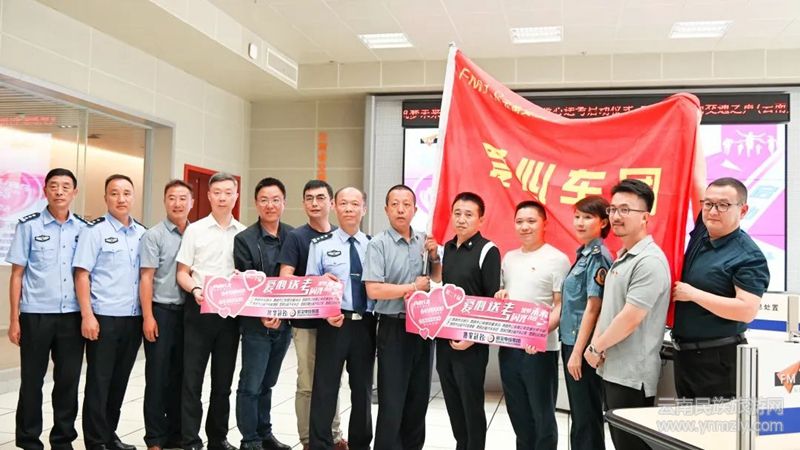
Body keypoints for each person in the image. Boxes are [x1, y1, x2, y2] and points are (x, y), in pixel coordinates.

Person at [584, 179, 670, 450]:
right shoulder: (623, 256)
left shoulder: (649, 261)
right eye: (613, 209)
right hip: (614, 369)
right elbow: (610, 310)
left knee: (632, 445)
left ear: (645, 216)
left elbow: (630, 318)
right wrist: (597, 346)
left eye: (625, 210)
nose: (616, 216)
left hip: (632, 376)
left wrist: (596, 347)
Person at [6, 168, 87, 450]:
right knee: (32, 380)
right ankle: (29, 440)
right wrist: (14, 319)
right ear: (45, 191)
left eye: (66, 186)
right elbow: (17, 275)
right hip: (36, 315)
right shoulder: (29, 226)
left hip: (72, 316)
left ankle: (63, 439)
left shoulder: (83, 229)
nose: (59, 191)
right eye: (54, 186)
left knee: (68, 381)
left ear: (74, 192)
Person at [672, 177, 770, 401]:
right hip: (684, 356)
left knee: (715, 423)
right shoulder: (703, 232)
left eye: (723, 205)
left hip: (718, 359)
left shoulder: (748, 256)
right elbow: (696, 179)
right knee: (685, 423)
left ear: (743, 210)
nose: (713, 211)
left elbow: (746, 310)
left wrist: (693, 294)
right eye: (708, 204)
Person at [362, 184, 440, 450]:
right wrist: (412, 287)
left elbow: (435, 279)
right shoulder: (378, 244)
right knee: (392, 400)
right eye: (395, 204)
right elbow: (374, 290)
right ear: (386, 209)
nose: (400, 209)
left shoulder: (424, 241)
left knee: (418, 399)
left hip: (423, 328)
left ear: (415, 209)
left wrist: (435, 257)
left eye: (406, 204)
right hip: (393, 328)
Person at [73, 174, 146, 450]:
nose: (121, 198)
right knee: (99, 381)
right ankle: (95, 440)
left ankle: (109, 434)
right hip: (103, 318)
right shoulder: (95, 231)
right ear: (106, 197)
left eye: (126, 193)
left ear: (133, 197)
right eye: (114, 193)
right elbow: (82, 274)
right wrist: (87, 315)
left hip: (132, 318)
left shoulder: (142, 233)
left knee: (119, 381)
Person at [176, 172, 245, 450]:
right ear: (208, 196)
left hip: (230, 316)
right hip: (199, 311)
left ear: (236, 196)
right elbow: (182, 272)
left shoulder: (243, 233)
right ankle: (190, 439)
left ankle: (218, 438)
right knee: (191, 380)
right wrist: (195, 289)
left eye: (228, 192)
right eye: (217, 192)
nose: (222, 197)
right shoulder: (195, 230)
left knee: (222, 382)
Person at [495, 200, 570, 450]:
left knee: (542, 415)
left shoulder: (557, 259)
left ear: (544, 224)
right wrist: (500, 296)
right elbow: (506, 294)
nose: (524, 226)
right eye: (519, 222)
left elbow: (560, 306)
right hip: (509, 346)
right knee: (518, 413)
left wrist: (537, 333)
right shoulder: (509, 258)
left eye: (531, 221)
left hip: (540, 349)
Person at [277, 180, 346, 450]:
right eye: (309, 198)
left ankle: (334, 435)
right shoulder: (296, 237)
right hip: (306, 322)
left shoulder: (341, 235)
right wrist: (317, 282)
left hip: (336, 322)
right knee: (307, 382)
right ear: (303, 203)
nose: (314, 203)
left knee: (332, 381)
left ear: (331, 203)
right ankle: (307, 439)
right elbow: (285, 277)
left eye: (320, 198)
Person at [307, 187, 375, 450]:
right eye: (344, 203)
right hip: (333, 324)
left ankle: (360, 444)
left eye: (355, 204)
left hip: (365, 324)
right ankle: (320, 444)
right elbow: (311, 285)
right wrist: (325, 309)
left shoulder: (373, 245)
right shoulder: (321, 245)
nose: (349, 209)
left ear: (363, 209)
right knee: (325, 387)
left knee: (362, 390)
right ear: (335, 206)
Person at [437, 192, 501, 450]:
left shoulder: (488, 250)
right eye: (457, 213)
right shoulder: (448, 249)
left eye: (468, 215)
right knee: (452, 401)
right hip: (445, 339)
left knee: (471, 403)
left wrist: (472, 338)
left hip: (471, 344)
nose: (461, 219)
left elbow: (491, 301)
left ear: (480, 219)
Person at [233, 177, 294, 450]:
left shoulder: (293, 236)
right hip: (255, 324)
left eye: (275, 200)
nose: (270, 205)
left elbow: (298, 278)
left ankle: (264, 433)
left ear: (284, 203)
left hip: (284, 323)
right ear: (256, 203)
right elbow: (245, 282)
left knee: (268, 383)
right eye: (264, 200)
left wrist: (281, 311)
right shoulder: (244, 239)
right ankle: (250, 440)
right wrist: (264, 312)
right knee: (251, 384)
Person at [140, 180, 194, 450]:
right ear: (165, 202)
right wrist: (148, 317)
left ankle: (176, 434)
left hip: (190, 314)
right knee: (157, 377)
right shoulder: (154, 235)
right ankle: (154, 437)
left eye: (183, 198)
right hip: (161, 312)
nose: (177, 203)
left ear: (192, 202)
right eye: (172, 198)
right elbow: (146, 278)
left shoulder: (197, 233)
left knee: (182, 377)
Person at [559, 195, 612, 450]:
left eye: (587, 217)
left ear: (603, 222)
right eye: (577, 216)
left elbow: (594, 307)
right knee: (580, 415)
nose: (580, 222)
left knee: (586, 416)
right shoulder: (584, 254)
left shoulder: (597, 256)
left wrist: (578, 352)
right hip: (572, 341)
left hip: (582, 346)